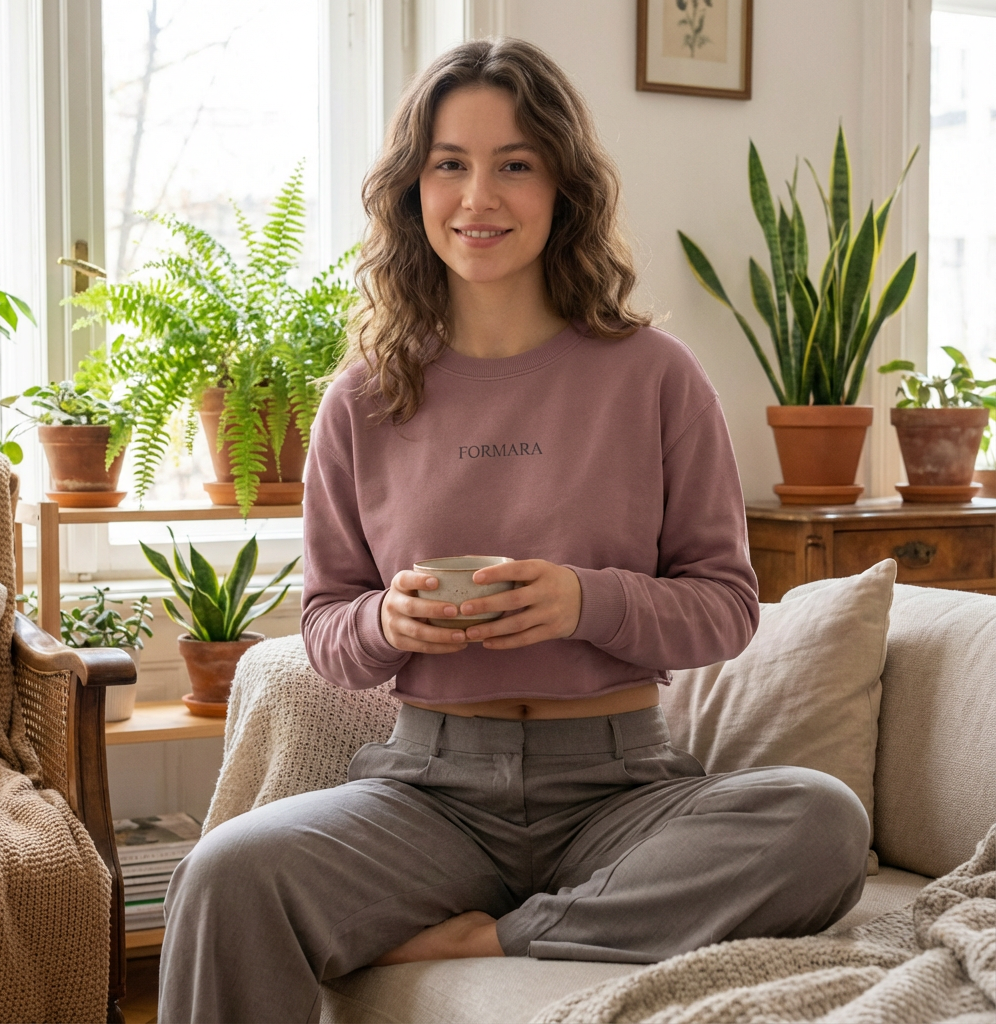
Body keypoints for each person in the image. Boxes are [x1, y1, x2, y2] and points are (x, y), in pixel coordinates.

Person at [159, 38, 869, 1023]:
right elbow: (326, 623)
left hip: (622, 788)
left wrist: (584, 599)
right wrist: (387, 625)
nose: (477, 196)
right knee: (225, 874)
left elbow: (725, 608)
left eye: (515, 164)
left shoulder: (656, 376)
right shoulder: (361, 399)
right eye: (449, 163)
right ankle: (538, 911)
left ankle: (506, 929)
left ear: (562, 186)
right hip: (428, 789)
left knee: (821, 821)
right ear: (413, 187)